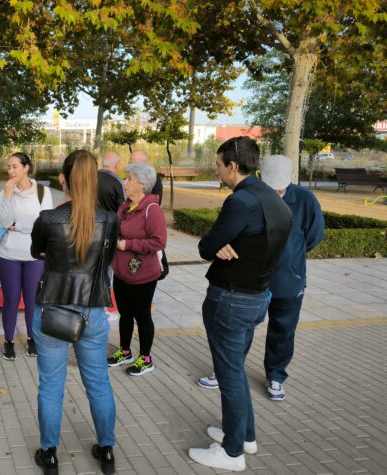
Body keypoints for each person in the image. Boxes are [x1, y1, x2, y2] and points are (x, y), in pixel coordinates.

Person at [188, 137, 292, 472]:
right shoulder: (274, 199)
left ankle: (232, 453)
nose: (216, 170)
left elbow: (207, 246)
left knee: (229, 374)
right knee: (236, 372)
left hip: (231, 299)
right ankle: (244, 435)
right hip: (257, 296)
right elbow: (247, 242)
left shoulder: (242, 201)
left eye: (218, 165)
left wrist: (216, 244)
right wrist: (224, 244)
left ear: (233, 166)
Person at [197, 155, 324, 401]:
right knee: (242, 328)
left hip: (288, 280)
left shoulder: (305, 199)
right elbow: (226, 231)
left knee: (283, 329)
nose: (275, 193)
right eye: (270, 187)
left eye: (280, 189)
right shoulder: (250, 197)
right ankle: (228, 371)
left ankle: (276, 375)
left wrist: (290, 258)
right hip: (251, 281)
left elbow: (314, 236)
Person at [30, 150, 119, 475]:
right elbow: (105, 263)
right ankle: (106, 450)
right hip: (93, 311)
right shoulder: (110, 221)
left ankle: (49, 453)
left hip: (53, 310)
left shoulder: (49, 219)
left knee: (51, 385)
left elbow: (36, 251)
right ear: (94, 180)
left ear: (64, 179)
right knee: (98, 383)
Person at [107, 163, 167, 376]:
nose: (125, 182)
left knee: (142, 315)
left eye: (129, 178)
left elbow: (159, 242)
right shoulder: (125, 206)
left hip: (143, 274)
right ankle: (125, 351)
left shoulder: (152, 210)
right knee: (124, 313)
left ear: (143, 184)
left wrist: (128, 244)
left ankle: (146, 358)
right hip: (122, 271)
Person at [0, 152, 53, 360]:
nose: (11, 171)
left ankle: (32, 338)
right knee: (11, 300)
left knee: (32, 301)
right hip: (7, 254)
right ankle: (8, 341)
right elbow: (4, 222)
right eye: (8, 167)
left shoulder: (43, 192)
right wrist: (9, 196)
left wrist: (18, 226)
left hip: (35, 255)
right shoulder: (5, 193)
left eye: (15, 166)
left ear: (26, 167)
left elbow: (45, 224)